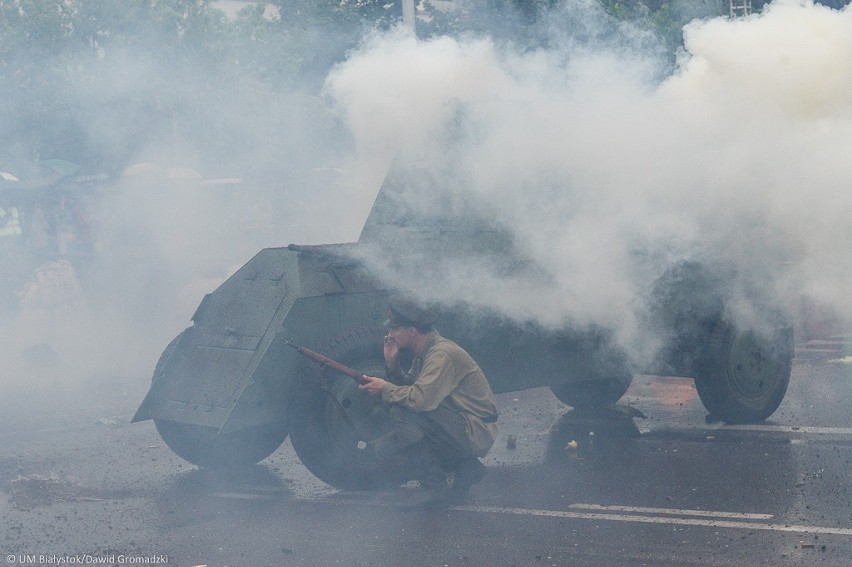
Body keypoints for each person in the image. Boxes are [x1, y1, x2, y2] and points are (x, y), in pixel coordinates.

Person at [359, 295, 499, 505]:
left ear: (411, 331)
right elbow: (411, 389)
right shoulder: (425, 352)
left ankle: (435, 487)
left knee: (402, 413)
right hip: (465, 425)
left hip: (475, 431)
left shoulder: (441, 354)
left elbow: (419, 400)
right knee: (387, 447)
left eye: (395, 329)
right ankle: (467, 468)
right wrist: (392, 366)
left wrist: (385, 388)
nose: (390, 335)